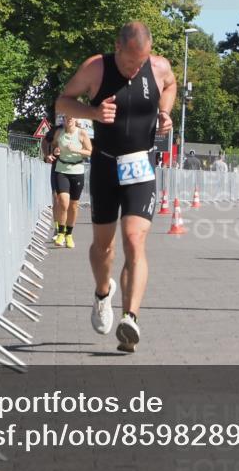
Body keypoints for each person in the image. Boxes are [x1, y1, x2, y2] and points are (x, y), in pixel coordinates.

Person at [56, 21, 176, 353]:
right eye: (129, 63)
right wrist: (93, 111)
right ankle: (101, 293)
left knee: (135, 240)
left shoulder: (158, 67)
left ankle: (131, 319)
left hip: (140, 166)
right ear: (117, 47)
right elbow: (63, 102)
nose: (134, 69)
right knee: (103, 248)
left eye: (141, 63)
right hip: (107, 165)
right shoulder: (96, 68)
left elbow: (170, 84)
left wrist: (165, 113)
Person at [51, 116, 93, 248]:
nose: (69, 118)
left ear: (75, 119)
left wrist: (76, 150)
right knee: (63, 202)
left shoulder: (81, 133)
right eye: (66, 116)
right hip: (61, 170)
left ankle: (69, 234)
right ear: (63, 119)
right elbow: (53, 146)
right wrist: (55, 151)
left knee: (74, 205)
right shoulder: (59, 133)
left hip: (77, 171)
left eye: (71, 116)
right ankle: (61, 233)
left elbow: (90, 151)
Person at [39, 121, 61, 239]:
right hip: (57, 167)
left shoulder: (79, 129)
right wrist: (47, 155)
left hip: (73, 168)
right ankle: (58, 229)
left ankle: (66, 229)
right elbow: (44, 141)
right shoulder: (55, 130)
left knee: (70, 202)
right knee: (56, 197)